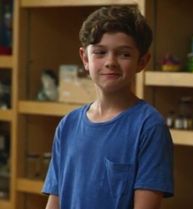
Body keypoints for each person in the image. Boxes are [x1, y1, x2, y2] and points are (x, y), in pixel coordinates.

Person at [43, 5, 174, 209]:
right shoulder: (68, 125)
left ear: (142, 61)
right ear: (85, 58)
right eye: (100, 52)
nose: (110, 62)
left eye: (124, 54)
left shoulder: (149, 127)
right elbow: (55, 201)